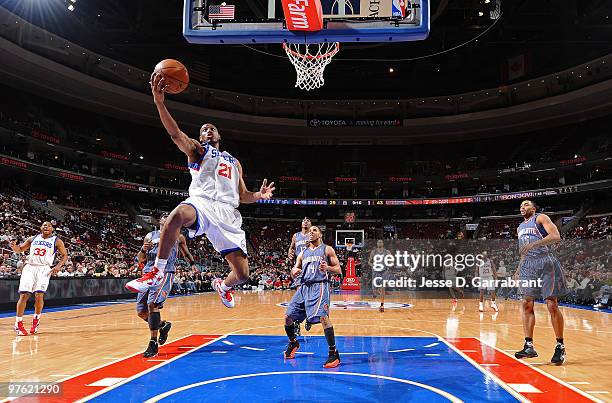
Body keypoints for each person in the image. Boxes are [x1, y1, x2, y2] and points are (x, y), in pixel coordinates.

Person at [126, 72, 275, 308]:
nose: (207, 130)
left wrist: (259, 195)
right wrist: (159, 103)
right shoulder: (198, 150)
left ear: (219, 135)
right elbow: (176, 134)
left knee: (243, 274)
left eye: (211, 128)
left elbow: (243, 196)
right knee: (176, 216)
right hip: (202, 202)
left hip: (227, 213)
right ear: (200, 137)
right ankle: (157, 271)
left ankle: (223, 286)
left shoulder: (234, 162)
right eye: (203, 129)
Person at [514, 200, 568, 365]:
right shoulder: (519, 228)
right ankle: (528, 345)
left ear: (534, 208)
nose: (523, 207)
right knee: (526, 304)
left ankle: (560, 346)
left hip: (546, 263)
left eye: (526, 204)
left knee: (551, 304)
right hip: (528, 265)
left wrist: (534, 244)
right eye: (521, 206)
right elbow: (524, 250)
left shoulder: (540, 218)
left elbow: (555, 236)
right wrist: (518, 269)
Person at [133, 215, 195, 358]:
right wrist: (143, 249)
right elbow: (140, 259)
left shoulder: (178, 237)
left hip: (165, 271)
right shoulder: (150, 235)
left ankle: (153, 342)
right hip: (148, 272)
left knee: (152, 303)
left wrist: (193, 265)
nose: (166, 217)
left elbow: (186, 253)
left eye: (169, 216)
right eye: (163, 216)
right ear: (159, 221)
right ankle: (163, 325)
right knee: (141, 312)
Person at [283, 226, 342, 368]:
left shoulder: (327, 249)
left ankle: (333, 353)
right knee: (288, 317)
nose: (311, 232)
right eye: (310, 231)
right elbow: (295, 269)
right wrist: (294, 270)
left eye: (314, 230)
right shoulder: (302, 253)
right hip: (304, 287)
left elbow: (338, 269)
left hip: (320, 285)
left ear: (320, 234)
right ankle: (293, 342)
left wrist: (327, 268)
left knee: (323, 317)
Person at [9, 222, 68, 336]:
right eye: (44, 225)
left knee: (39, 295)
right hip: (30, 267)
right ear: (41, 228)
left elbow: (65, 255)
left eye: (49, 225)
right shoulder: (33, 238)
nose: (46, 227)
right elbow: (19, 249)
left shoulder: (57, 241)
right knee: (24, 295)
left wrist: (58, 266)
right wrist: (13, 246)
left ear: (52, 229)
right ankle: (18, 323)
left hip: (44, 269)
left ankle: (36, 321)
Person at [287, 217, 312, 332]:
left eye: (308, 220)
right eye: (303, 220)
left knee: (309, 295)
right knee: (300, 293)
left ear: (310, 224)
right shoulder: (296, 236)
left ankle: (307, 317)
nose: (305, 221)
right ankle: (297, 321)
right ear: (301, 223)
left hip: (310, 267)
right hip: (299, 267)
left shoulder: (313, 235)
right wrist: (290, 254)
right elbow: (291, 248)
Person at [368, 240, 392, 312]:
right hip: (375, 271)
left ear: (383, 243)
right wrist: (372, 265)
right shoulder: (373, 252)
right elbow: (369, 262)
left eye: (381, 242)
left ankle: (382, 305)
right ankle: (376, 292)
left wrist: (388, 265)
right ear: (377, 244)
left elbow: (391, 261)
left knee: (383, 288)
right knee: (374, 289)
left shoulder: (387, 252)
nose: (380, 243)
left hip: (383, 272)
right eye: (378, 242)